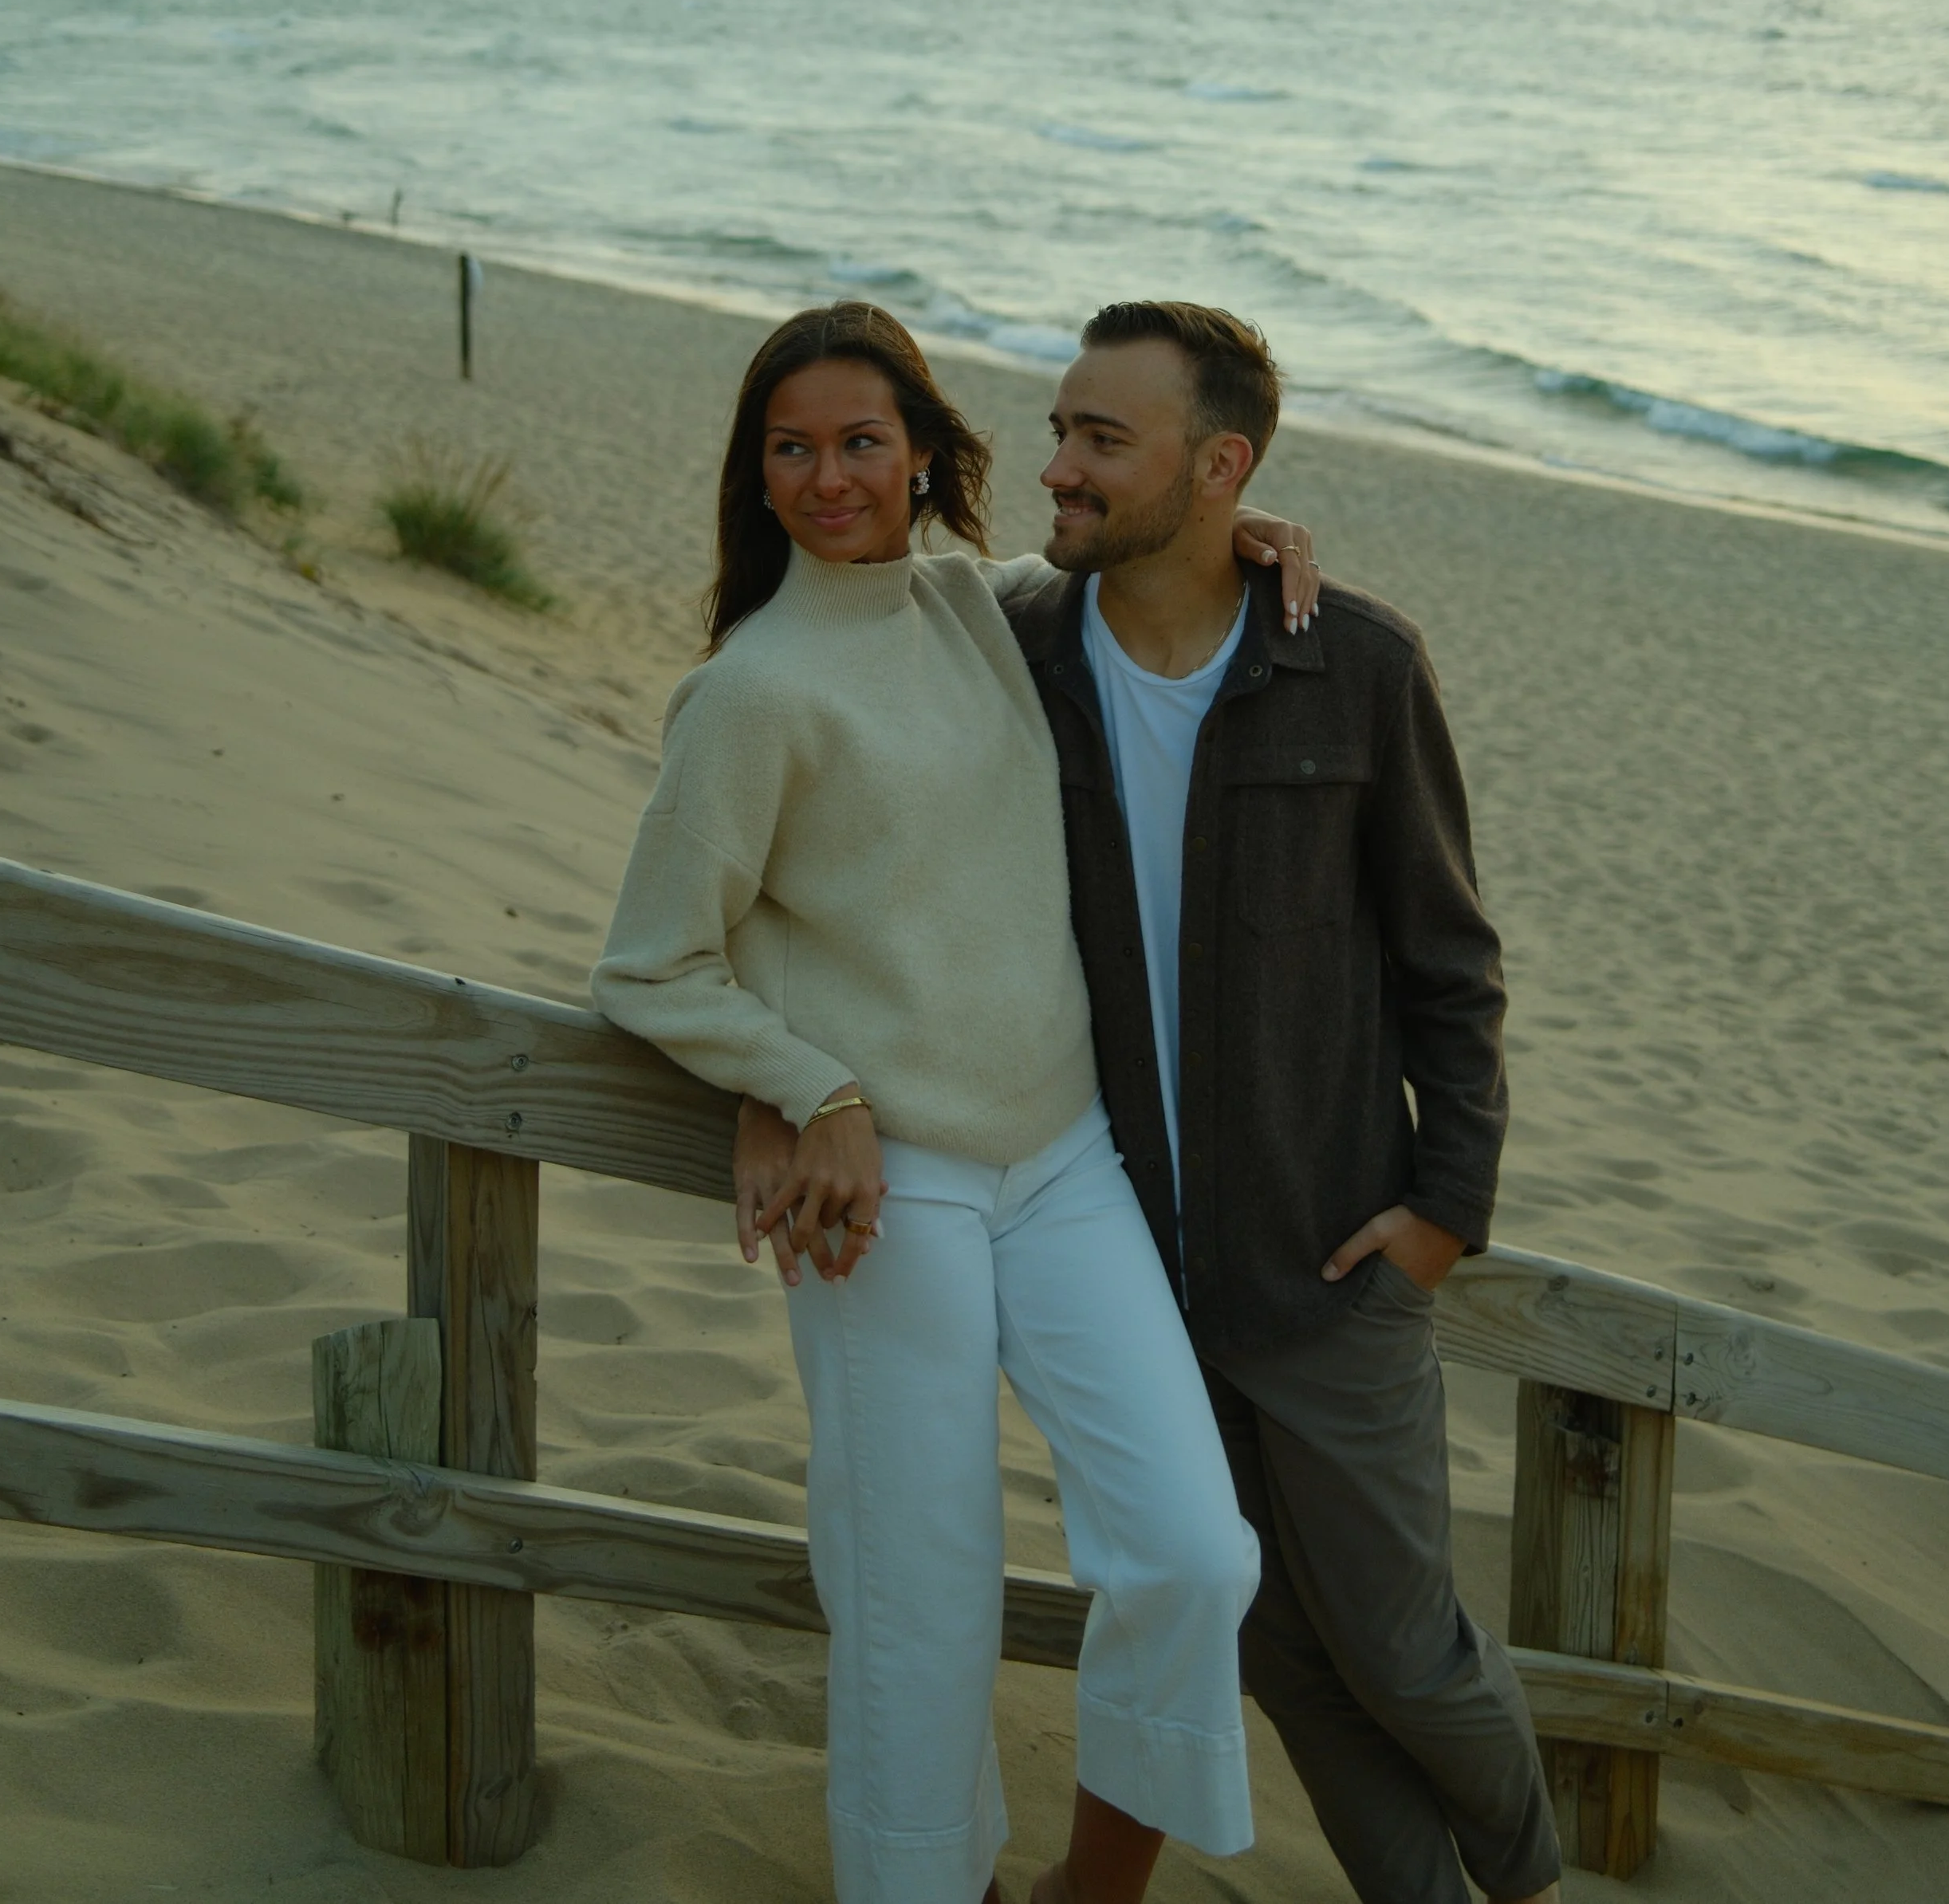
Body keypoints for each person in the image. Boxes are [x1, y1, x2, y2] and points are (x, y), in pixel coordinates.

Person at [593, 302, 1321, 1904]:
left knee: (1193, 1556)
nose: (827, 476)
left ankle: (1090, 1888)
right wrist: (808, 1086)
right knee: (920, 1596)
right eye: (792, 448)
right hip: (891, 1194)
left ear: (925, 454)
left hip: (1064, 1161)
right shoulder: (752, 693)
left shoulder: (980, 608)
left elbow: (1129, 569)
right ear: (754, 470)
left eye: (862, 441)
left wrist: (1222, 524)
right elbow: (646, 969)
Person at [981, 300, 1563, 1904]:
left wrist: (1446, 1209)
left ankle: (1525, 1880)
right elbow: (847, 588)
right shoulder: (1017, 646)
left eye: (1101, 439)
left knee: (1404, 1650)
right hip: (1131, 1280)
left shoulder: (1353, 662)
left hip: (1328, 1269)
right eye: (1058, 430)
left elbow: (1450, 958)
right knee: (1279, 1650)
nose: (1058, 468)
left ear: (1218, 464)